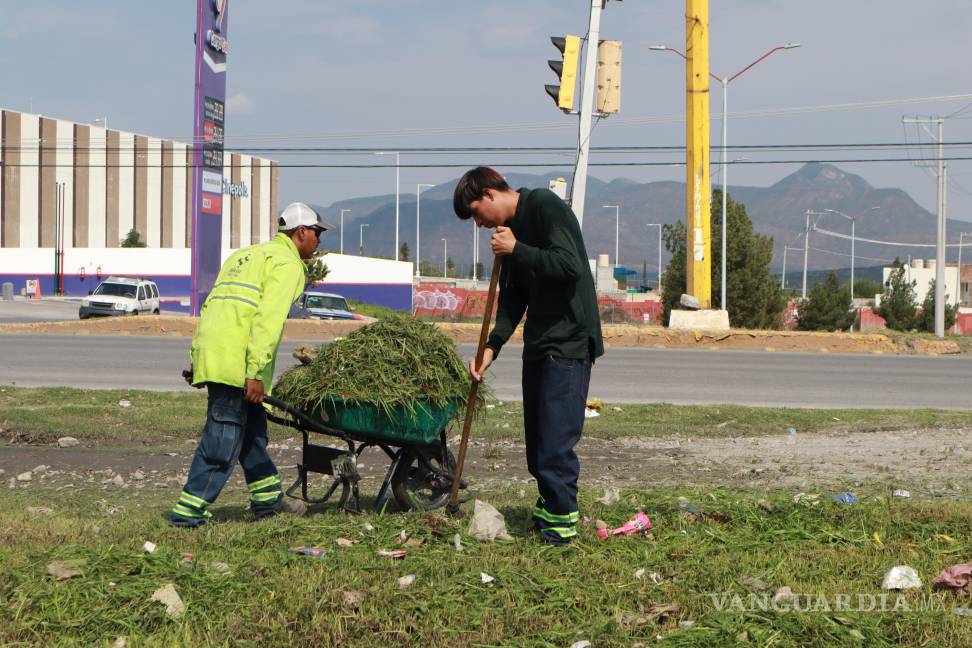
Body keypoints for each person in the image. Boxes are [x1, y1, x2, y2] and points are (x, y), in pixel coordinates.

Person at [453, 167, 603, 545]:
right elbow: (514, 299)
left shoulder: (544, 206)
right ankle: (548, 509)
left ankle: (561, 526)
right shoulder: (509, 235)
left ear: (489, 194)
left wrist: (516, 249)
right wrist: (491, 347)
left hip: (568, 341)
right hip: (539, 342)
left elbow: (569, 267)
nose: (478, 224)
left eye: (475, 213)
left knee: (554, 442)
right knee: (537, 444)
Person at [170, 202, 331, 527]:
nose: (318, 241)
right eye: (317, 233)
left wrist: (197, 359)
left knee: (252, 436)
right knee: (223, 440)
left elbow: (213, 308)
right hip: (239, 366)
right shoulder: (287, 264)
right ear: (301, 232)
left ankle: (268, 502)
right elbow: (266, 322)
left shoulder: (244, 257)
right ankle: (188, 514)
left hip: (218, 356)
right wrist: (255, 373)